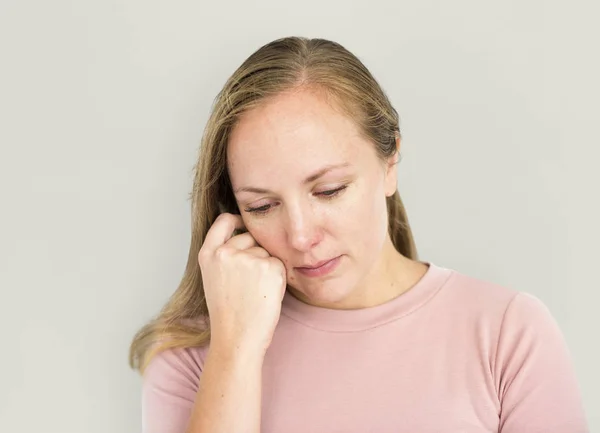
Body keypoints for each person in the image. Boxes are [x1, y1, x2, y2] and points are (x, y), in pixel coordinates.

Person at [129, 36, 589, 433]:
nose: (302, 236)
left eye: (328, 190)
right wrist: (235, 349)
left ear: (390, 164)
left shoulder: (507, 333)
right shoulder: (193, 355)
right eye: (263, 206)